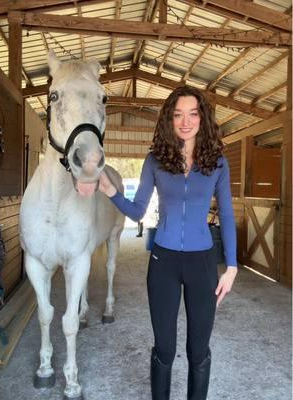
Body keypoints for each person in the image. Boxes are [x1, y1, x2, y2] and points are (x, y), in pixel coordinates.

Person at [99, 86, 237, 400]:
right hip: (163, 262)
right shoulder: (155, 161)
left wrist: (231, 267)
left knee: (198, 350)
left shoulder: (217, 163)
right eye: (178, 115)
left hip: (203, 263)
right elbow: (137, 210)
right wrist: (111, 192)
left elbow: (227, 214)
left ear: (202, 118)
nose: (185, 121)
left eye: (192, 113)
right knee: (165, 347)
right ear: (169, 120)